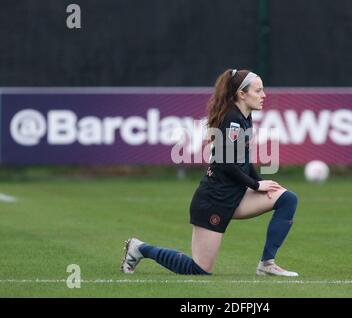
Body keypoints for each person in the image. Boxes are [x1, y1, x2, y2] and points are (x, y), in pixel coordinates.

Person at [121, 69, 299, 276]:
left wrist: (260, 181)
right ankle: (140, 248)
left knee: (287, 199)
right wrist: (256, 185)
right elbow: (225, 163)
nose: (264, 95)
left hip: (236, 195)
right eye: (258, 90)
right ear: (242, 94)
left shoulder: (244, 117)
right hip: (215, 200)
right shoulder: (232, 120)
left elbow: (243, 157)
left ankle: (267, 264)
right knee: (199, 269)